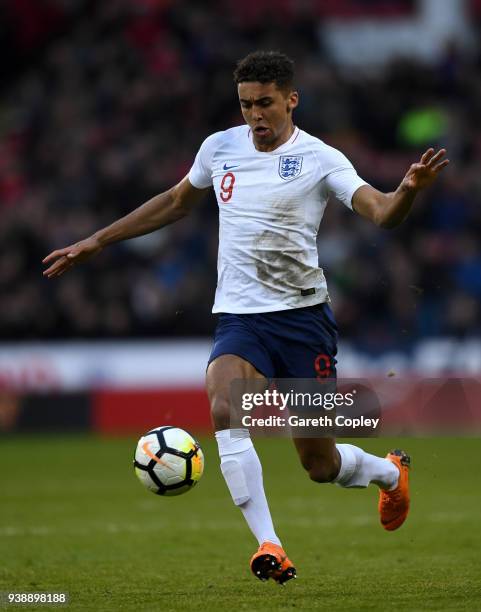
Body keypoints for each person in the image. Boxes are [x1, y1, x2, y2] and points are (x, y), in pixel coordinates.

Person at [43, 51, 449, 585]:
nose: (254, 115)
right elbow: (174, 201)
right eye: (245, 105)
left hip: (304, 322)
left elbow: (380, 213)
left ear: (290, 100)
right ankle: (269, 543)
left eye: (264, 103)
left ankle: (388, 473)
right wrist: (98, 239)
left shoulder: (321, 158)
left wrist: (407, 193)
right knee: (224, 404)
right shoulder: (220, 147)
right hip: (240, 318)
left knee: (319, 466)